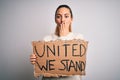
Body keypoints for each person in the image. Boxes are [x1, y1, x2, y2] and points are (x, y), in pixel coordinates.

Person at [30, 4, 84, 80]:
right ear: (55, 20)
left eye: (66, 16)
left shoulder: (78, 37)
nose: (62, 20)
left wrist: (62, 36)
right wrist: (36, 62)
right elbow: (41, 72)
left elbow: (76, 67)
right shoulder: (47, 39)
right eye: (58, 16)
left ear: (71, 19)